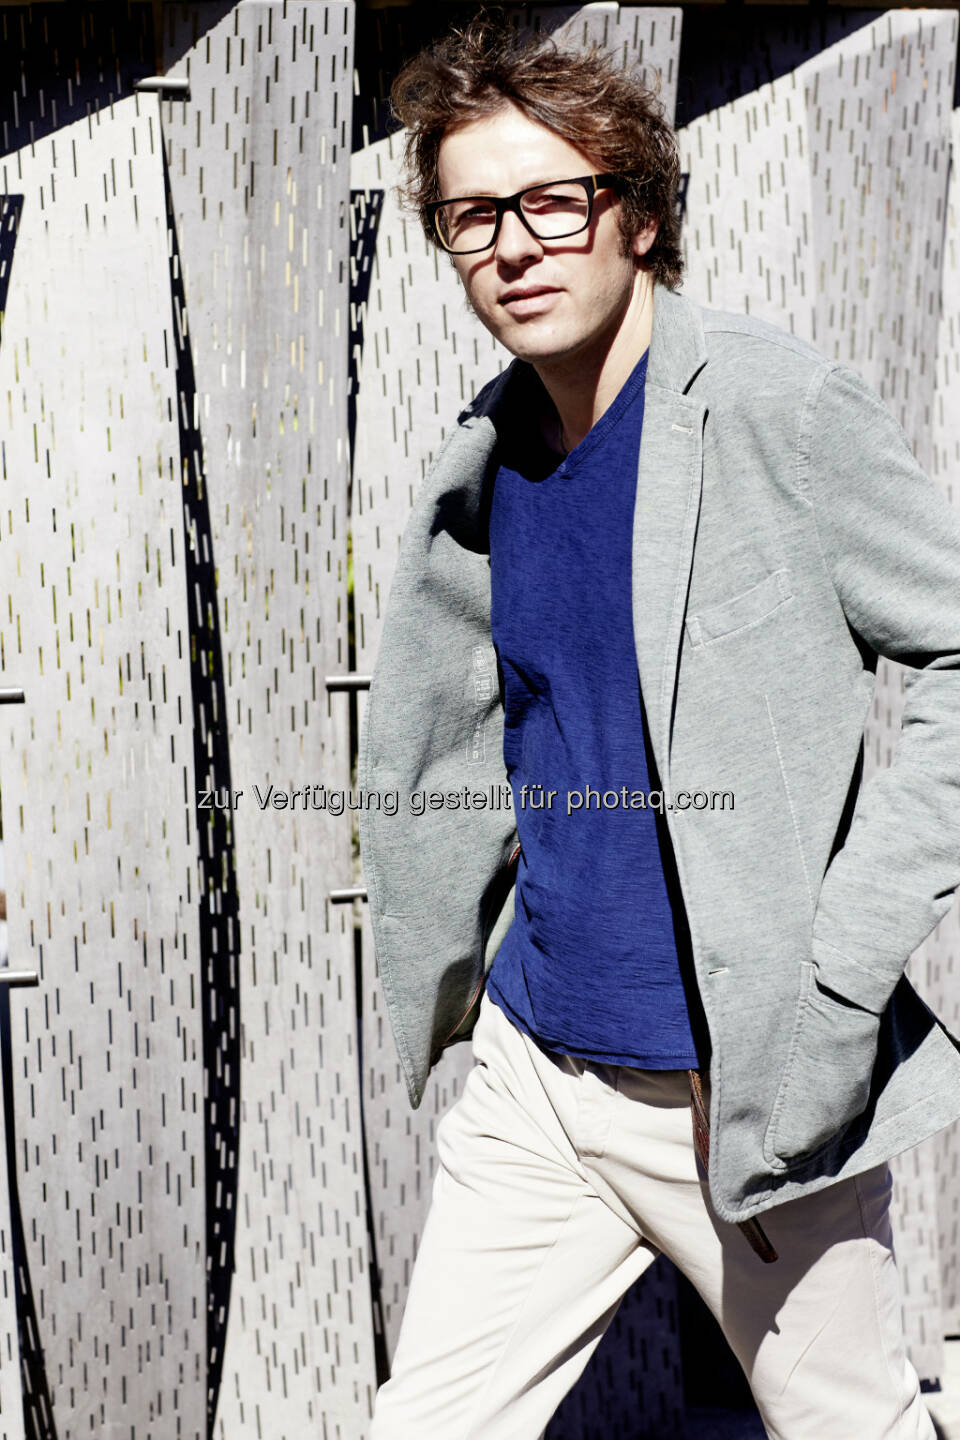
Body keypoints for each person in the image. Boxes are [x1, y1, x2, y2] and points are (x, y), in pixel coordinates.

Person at [357, 14, 960, 1438]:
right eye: (472, 216)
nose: (513, 247)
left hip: (743, 1085)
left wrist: (839, 975)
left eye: (551, 202)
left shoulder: (775, 410)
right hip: (539, 1074)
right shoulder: (488, 457)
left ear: (636, 213)